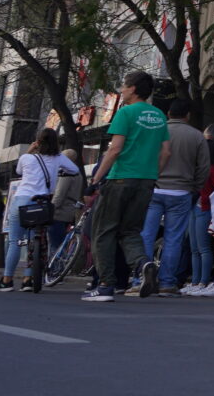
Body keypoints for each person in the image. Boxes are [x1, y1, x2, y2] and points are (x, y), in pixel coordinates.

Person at [84, 71, 171, 302]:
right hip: (146, 182)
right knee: (130, 231)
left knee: (103, 232)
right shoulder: (159, 115)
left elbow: (115, 149)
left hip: (120, 178)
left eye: (124, 86)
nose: (121, 90)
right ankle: (143, 264)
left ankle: (104, 286)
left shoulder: (125, 112)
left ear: (133, 89)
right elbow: (165, 152)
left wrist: (95, 179)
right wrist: (153, 175)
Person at [140, 98, 210, 296]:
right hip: (181, 191)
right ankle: (167, 282)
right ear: (187, 115)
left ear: (168, 113)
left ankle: (140, 276)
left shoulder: (155, 132)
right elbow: (203, 168)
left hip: (154, 188)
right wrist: (194, 188)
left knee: (146, 234)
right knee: (174, 238)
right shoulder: (197, 136)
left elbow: (145, 157)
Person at [0, 129, 80, 292]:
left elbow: (19, 172)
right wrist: (59, 171)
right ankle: (28, 280)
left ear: (38, 142)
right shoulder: (58, 157)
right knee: (34, 240)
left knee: (15, 241)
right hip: (42, 202)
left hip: (22, 199)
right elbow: (75, 170)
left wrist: (30, 150)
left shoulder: (27, 157)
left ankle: (7, 280)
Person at [182, 128, 214, 295]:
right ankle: (196, 282)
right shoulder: (206, 169)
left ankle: (202, 281)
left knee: (202, 247)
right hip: (197, 207)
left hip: (204, 207)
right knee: (196, 248)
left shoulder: (211, 170)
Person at [47, 149, 85, 259]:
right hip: (70, 211)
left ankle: (54, 270)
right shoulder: (78, 174)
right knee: (61, 242)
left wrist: (51, 209)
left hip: (59, 212)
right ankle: (59, 267)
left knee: (55, 243)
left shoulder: (66, 172)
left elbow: (59, 194)